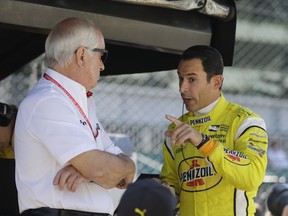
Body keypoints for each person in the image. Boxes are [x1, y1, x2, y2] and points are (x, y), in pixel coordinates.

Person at [14, 17, 136, 216]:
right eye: (101, 56)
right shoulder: (48, 101)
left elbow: (128, 174)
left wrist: (89, 171)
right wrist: (96, 169)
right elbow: (101, 170)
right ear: (81, 56)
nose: (102, 66)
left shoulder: (76, 101)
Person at [159, 45, 268, 216]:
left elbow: (252, 177)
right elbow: (172, 182)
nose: (182, 88)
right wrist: (161, 190)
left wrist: (205, 143)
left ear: (216, 82)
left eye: (192, 79)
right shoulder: (175, 129)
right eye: (180, 78)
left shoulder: (246, 122)